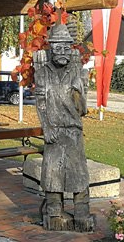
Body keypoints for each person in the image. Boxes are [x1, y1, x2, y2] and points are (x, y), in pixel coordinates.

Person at [33, 21, 93, 232]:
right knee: (52, 174)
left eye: (66, 47)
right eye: (57, 47)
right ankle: (54, 211)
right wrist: (46, 128)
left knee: (78, 172)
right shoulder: (43, 73)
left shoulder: (77, 71)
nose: (62, 52)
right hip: (54, 130)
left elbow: (82, 109)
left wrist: (81, 91)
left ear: (70, 49)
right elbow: (40, 103)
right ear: (50, 49)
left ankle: (82, 212)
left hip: (73, 131)